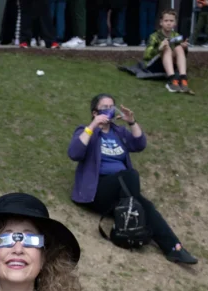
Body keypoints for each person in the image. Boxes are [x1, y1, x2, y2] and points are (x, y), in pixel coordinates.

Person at [69, 93, 198, 264]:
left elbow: (139, 144)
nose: (109, 110)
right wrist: (93, 125)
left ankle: (174, 248)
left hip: (121, 192)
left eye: (111, 107)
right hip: (97, 191)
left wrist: (131, 121)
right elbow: (74, 153)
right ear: (95, 112)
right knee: (130, 176)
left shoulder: (119, 132)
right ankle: (139, 220)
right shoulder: (86, 131)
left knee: (146, 205)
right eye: (104, 108)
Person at [142, 9, 190, 93]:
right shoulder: (154, 36)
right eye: (166, 20)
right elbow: (146, 56)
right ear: (161, 22)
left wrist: (185, 48)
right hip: (154, 66)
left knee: (178, 47)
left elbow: (181, 55)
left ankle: (183, 79)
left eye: (171, 21)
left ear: (175, 23)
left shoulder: (177, 36)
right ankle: (172, 80)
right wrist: (159, 48)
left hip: (171, 64)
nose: (168, 23)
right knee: (166, 47)